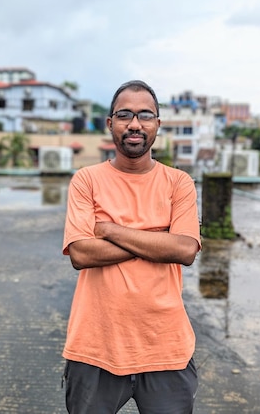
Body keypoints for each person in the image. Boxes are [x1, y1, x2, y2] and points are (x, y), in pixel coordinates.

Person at [61, 80, 202, 413]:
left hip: (166, 346)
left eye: (145, 115)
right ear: (110, 124)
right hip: (94, 347)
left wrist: (109, 229)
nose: (135, 124)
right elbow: (81, 254)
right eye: (124, 115)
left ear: (157, 125)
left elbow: (184, 252)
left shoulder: (178, 183)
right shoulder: (87, 180)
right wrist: (160, 236)